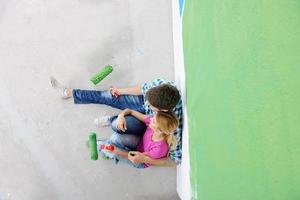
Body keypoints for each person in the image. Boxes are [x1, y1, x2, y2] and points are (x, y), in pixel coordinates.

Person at [50, 77, 183, 167]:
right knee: (108, 96)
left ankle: (107, 149)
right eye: (148, 98)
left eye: (151, 104)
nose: (147, 102)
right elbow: (142, 89)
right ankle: (69, 93)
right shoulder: (161, 86)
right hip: (146, 121)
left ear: (164, 110)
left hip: (148, 127)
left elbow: (174, 160)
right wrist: (120, 91)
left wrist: (145, 159)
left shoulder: (172, 125)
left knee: (117, 139)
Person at [100, 108, 179, 168]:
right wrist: (121, 116)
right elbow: (130, 111)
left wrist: (116, 151)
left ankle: (107, 152)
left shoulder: (159, 148)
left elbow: (133, 156)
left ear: (160, 130)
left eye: (154, 121)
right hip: (140, 144)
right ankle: (108, 147)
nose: (151, 119)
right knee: (116, 138)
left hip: (139, 160)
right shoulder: (151, 123)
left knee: (113, 151)